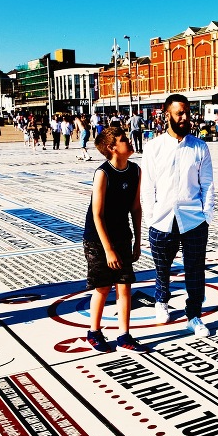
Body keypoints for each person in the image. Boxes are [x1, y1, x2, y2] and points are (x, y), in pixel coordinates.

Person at [141, 94, 215, 337]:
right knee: (162, 267)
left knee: (195, 269)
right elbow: (147, 186)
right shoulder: (154, 147)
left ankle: (194, 315)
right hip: (162, 219)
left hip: (193, 219)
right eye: (179, 113)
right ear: (167, 115)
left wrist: (206, 216)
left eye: (186, 113)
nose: (184, 118)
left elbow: (208, 184)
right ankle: (161, 301)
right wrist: (151, 217)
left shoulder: (199, 147)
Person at [83, 125, 145, 353]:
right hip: (98, 239)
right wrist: (108, 250)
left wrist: (138, 240)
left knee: (124, 286)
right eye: (123, 140)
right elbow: (97, 214)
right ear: (112, 148)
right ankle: (94, 331)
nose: (129, 142)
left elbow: (136, 208)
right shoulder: (103, 173)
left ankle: (124, 335)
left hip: (122, 236)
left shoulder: (135, 170)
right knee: (102, 287)